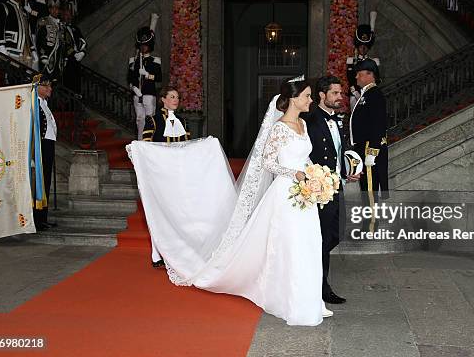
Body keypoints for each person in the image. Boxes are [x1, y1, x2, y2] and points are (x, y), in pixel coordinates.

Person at [128, 76, 335, 325]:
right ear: (293, 99)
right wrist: (297, 174)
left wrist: (317, 176)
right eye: (307, 96)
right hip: (286, 193)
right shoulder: (280, 128)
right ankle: (291, 299)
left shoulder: (302, 124)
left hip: (305, 193)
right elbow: (268, 162)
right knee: (290, 245)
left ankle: (312, 298)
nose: (311, 100)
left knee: (310, 242)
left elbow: (304, 157)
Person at [303, 76, 359, 305]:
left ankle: (315, 279)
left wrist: (348, 170)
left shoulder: (338, 120)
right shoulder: (310, 119)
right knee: (323, 238)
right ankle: (320, 286)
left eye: (340, 93)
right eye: (335, 93)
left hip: (337, 185)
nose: (340, 97)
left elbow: (338, 151)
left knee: (337, 232)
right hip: (319, 188)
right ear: (322, 95)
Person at [141, 86, 189, 268]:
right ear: (163, 99)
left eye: (177, 97)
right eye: (171, 96)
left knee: (177, 213)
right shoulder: (152, 121)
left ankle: (176, 252)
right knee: (159, 214)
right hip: (159, 175)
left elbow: (187, 148)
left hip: (178, 174)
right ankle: (157, 254)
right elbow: (145, 148)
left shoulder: (182, 122)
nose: (175, 100)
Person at [349, 59, 389, 233]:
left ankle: (371, 228)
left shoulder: (375, 94)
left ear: (370, 74)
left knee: (370, 190)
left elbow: (378, 124)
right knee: (366, 189)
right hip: (363, 148)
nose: (356, 76)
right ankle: (368, 225)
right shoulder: (366, 94)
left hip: (369, 149)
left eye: (360, 73)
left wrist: (372, 152)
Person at [0, 0, 38, 69]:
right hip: (11, 50)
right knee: (12, 81)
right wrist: (1, 47)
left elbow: (28, 32)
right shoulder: (4, 6)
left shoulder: (25, 11)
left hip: (26, 53)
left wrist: (33, 50)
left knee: (26, 82)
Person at [128, 21, 161, 140]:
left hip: (149, 93)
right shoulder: (133, 60)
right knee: (139, 119)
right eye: (142, 45)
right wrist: (134, 88)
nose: (143, 47)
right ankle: (140, 141)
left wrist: (147, 75)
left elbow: (159, 78)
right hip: (137, 94)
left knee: (150, 119)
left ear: (150, 45)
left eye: (146, 45)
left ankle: (150, 141)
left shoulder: (155, 60)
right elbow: (130, 78)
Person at [33, 74, 58, 231]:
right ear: (38, 88)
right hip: (41, 145)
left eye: (50, 85)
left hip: (49, 144)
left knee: (46, 181)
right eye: (46, 86)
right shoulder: (34, 104)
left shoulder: (45, 103)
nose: (50, 88)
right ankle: (37, 219)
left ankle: (43, 218)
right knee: (40, 182)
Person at [346, 11, 380, 109]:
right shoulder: (351, 61)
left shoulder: (374, 62)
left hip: (370, 95)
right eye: (361, 46)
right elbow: (351, 79)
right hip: (355, 94)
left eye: (365, 46)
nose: (363, 49)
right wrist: (356, 93)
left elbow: (377, 80)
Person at [60, 3, 87, 92]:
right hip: (67, 60)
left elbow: (83, 41)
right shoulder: (60, 28)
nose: (68, 17)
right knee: (68, 86)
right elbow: (63, 43)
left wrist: (83, 52)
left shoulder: (75, 28)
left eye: (69, 14)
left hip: (77, 60)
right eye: (65, 14)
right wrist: (73, 53)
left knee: (77, 85)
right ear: (62, 15)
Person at [36, 0, 65, 79]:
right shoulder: (44, 21)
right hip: (48, 56)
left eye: (57, 8)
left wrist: (64, 57)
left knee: (56, 80)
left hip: (58, 58)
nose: (55, 11)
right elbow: (40, 39)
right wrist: (42, 55)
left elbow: (63, 42)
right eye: (52, 8)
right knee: (45, 79)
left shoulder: (61, 24)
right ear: (49, 10)